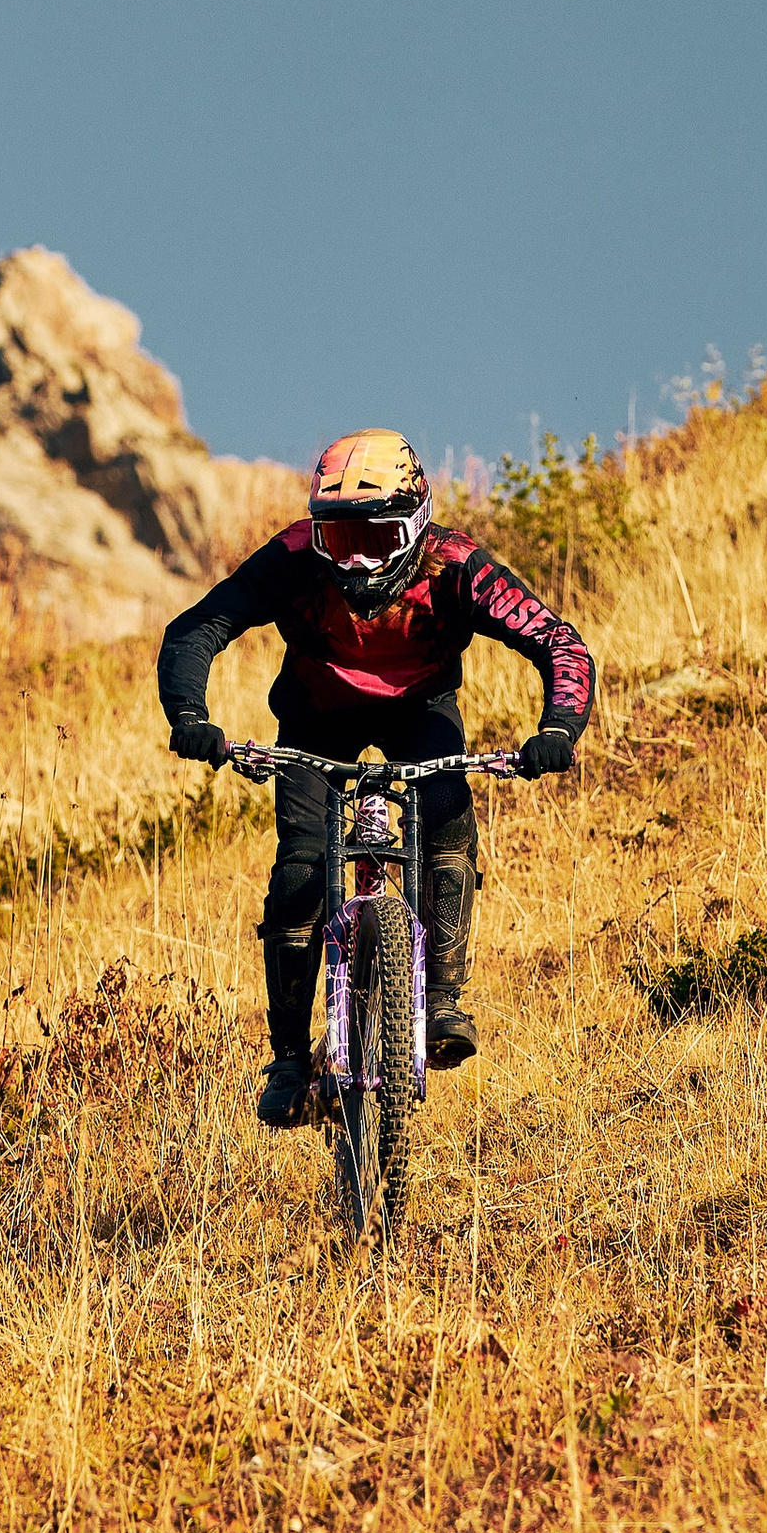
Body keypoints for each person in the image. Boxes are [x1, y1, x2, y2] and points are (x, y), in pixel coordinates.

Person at [158, 429, 595, 1127]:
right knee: (301, 874)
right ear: (315, 529)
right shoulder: (292, 557)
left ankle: (443, 1001)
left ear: (418, 522)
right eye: (338, 536)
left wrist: (556, 731)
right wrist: (189, 713)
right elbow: (196, 630)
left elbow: (556, 640)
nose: (356, 560)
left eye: (378, 535)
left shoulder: (457, 566)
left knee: (448, 813)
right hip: (315, 717)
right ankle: (290, 1061)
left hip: (420, 710)